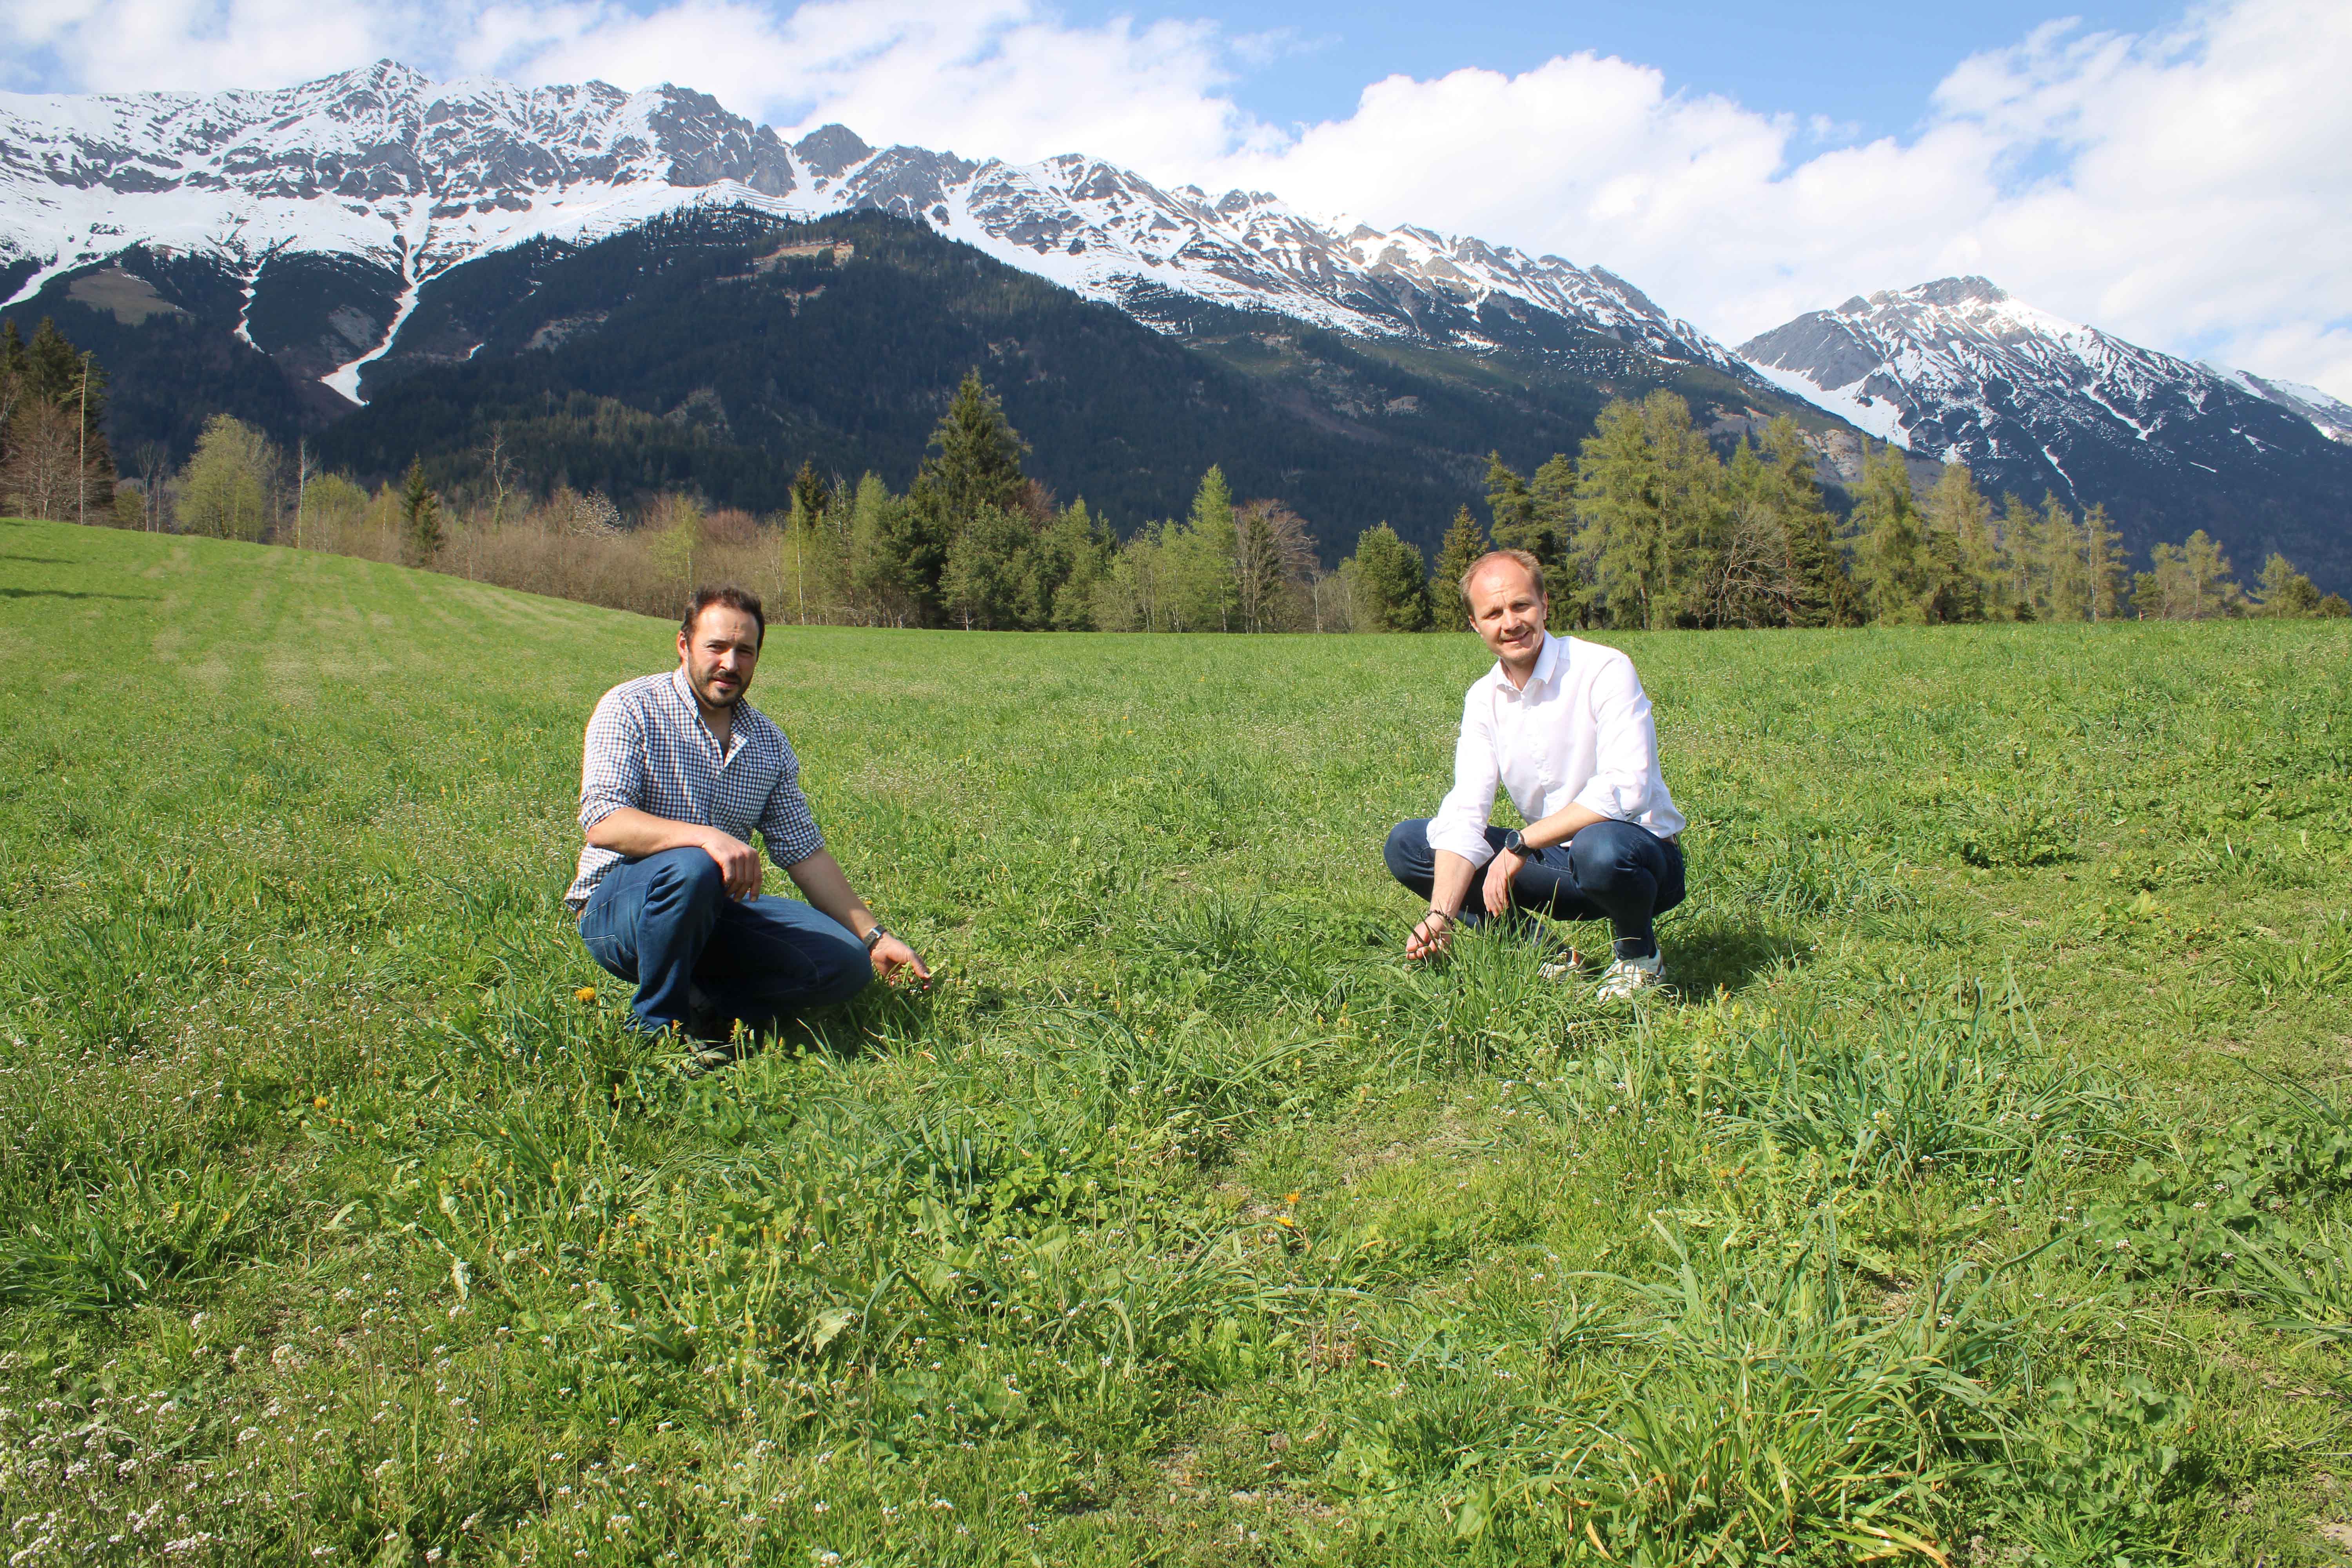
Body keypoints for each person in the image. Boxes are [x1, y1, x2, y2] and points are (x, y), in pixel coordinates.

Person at [566, 584, 930, 1047]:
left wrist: (875, 937)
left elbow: (804, 850)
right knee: (693, 864)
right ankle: (656, 1028)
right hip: (618, 908)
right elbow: (604, 820)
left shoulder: (767, 743)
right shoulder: (632, 707)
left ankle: (712, 1005)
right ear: (684, 645)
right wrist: (705, 838)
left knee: (845, 963)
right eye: (716, 647)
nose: (730, 664)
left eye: (745, 651)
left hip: (715, 909)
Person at [1383, 549, 1687, 1000]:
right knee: (1411, 844)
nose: (1511, 622)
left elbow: (1628, 787)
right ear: (1474, 624)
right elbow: (1468, 805)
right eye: (1493, 613)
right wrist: (1441, 915)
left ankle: (1640, 958)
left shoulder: (1603, 668)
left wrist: (1522, 843)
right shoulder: (1483, 699)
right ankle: (1551, 958)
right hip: (1557, 866)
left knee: (1598, 844)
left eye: (1521, 605)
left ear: (1546, 604)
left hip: (1637, 861)